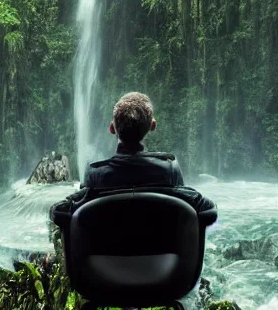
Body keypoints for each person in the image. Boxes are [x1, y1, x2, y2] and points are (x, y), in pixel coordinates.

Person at [49, 92, 216, 228]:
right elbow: (207, 210)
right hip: (161, 263)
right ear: (153, 125)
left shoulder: (96, 175)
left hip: (106, 263)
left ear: (112, 128)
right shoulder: (168, 170)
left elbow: (60, 212)